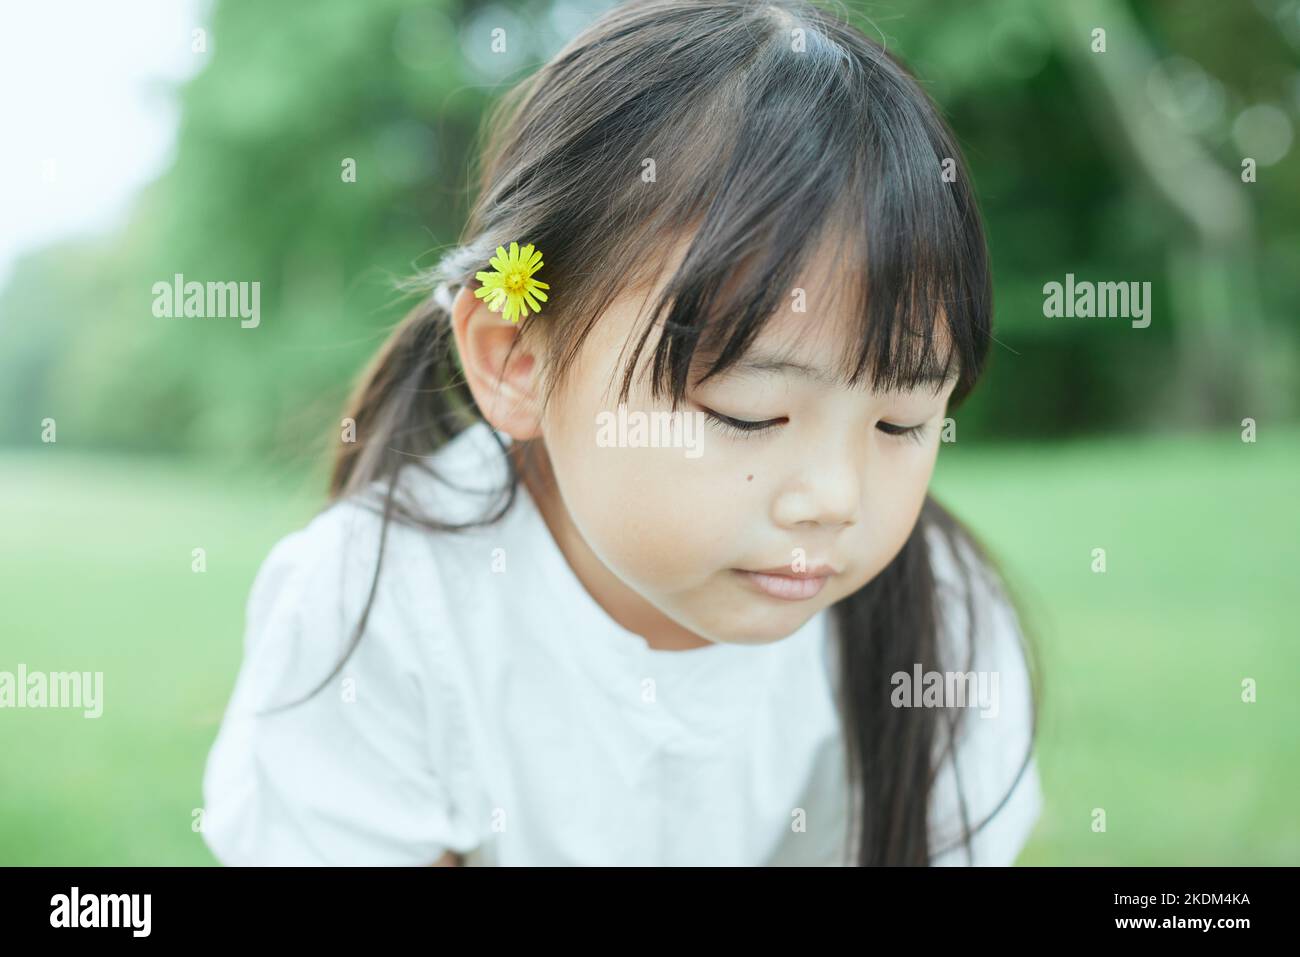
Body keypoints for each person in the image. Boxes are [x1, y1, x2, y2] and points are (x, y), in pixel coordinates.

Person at [201, 0, 1043, 866]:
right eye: (749, 413)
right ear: (517, 361)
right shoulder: (379, 608)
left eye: (903, 421)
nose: (835, 497)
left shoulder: (943, 620)